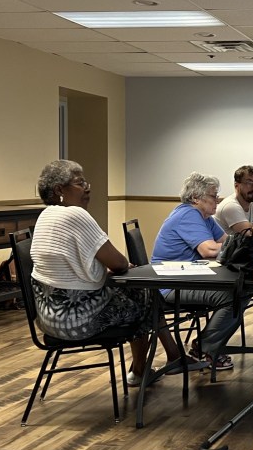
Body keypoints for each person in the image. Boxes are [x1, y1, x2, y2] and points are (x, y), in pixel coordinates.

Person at [30, 160, 206, 387]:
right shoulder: (76, 215)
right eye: (80, 182)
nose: (87, 187)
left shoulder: (45, 216)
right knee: (144, 297)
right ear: (59, 190)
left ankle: (167, 358)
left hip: (48, 319)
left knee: (141, 295)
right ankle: (146, 368)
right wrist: (118, 266)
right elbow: (120, 263)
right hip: (76, 321)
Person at [151, 172, 241, 371]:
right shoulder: (188, 214)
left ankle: (206, 346)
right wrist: (241, 247)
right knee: (231, 297)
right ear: (195, 198)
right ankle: (204, 349)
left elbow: (225, 241)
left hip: (188, 278)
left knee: (239, 293)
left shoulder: (204, 216)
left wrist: (246, 244)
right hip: (170, 285)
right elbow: (209, 250)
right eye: (213, 195)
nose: (217, 199)